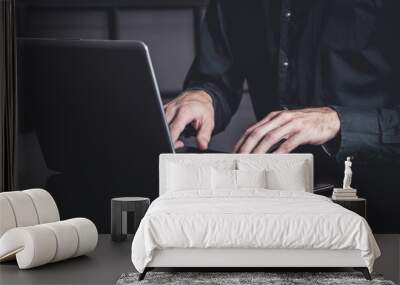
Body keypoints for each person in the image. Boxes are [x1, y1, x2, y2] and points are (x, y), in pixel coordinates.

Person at [164, 1, 400, 233]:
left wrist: (338, 122)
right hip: (277, 202)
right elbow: (216, 76)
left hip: (381, 209)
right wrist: (203, 96)